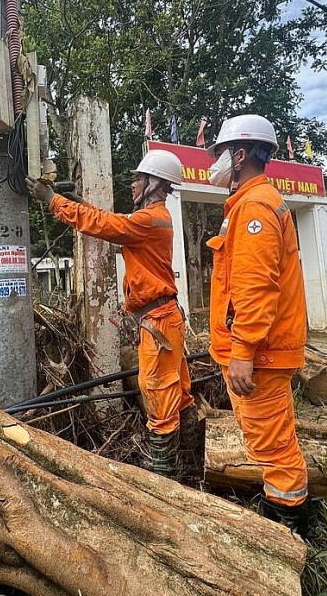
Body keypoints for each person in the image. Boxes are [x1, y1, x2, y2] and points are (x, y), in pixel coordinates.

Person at [26, 149, 199, 480]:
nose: (133, 185)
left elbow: (106, 226)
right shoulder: (153, 219)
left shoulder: (150, 220)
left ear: (154, 184)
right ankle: (190, 466)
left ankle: (163, 476)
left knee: (159, 397)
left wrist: (53, 201)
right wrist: (81, 203)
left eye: (138, 179)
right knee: (179, 394)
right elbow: (115, 224)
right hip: (164, 318)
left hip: (160, 322)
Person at [205, 114, 310, 535]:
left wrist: (243, 352)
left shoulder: (254, 207)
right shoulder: (255, 202)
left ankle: (291, 529)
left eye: (221, 154)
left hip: (259, 354)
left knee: (274, 447)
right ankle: (284, 515)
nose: (214, 163)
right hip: (259, 350)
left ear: (241, 154)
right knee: (267, 439)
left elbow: (254, 287)